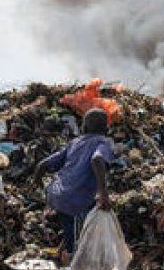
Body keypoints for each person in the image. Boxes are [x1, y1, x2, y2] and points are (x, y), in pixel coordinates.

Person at [34, 108, 122, 260]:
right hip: (73, 199)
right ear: (107, 129)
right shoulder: (104, 142)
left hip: (56, 193)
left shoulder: (74, 142)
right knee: (77, 233)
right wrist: (103, 193)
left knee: (71, 223)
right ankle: (71, 260)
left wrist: (39, 184)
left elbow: (42, 165)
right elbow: (97, 159)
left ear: (84, 128)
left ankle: (65, 246)